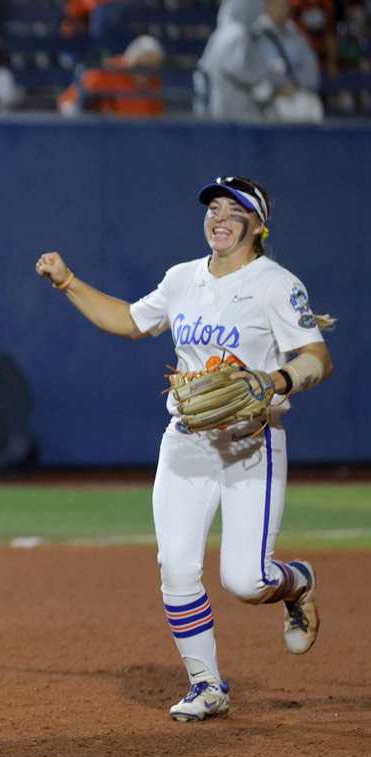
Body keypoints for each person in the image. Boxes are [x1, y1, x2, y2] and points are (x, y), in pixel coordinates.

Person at [34, 176, 333, 721]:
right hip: (187, 441)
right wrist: (69, 282)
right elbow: (129, 321)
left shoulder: (275, 284)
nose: (218, 216)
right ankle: (206, 684)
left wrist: (277, 382)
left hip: (251, 443)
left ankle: (296, 584)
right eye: (212, 207)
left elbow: (317, 355)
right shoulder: (181, 279)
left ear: (258, 225)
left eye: (233, 210)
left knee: (246, 580)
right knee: (175, 566)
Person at [197, 0, 322, 122]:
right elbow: (250, 73)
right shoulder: (233, 35)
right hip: (229, 117)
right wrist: (278, 84)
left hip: (233, 115)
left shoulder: (234, 32)